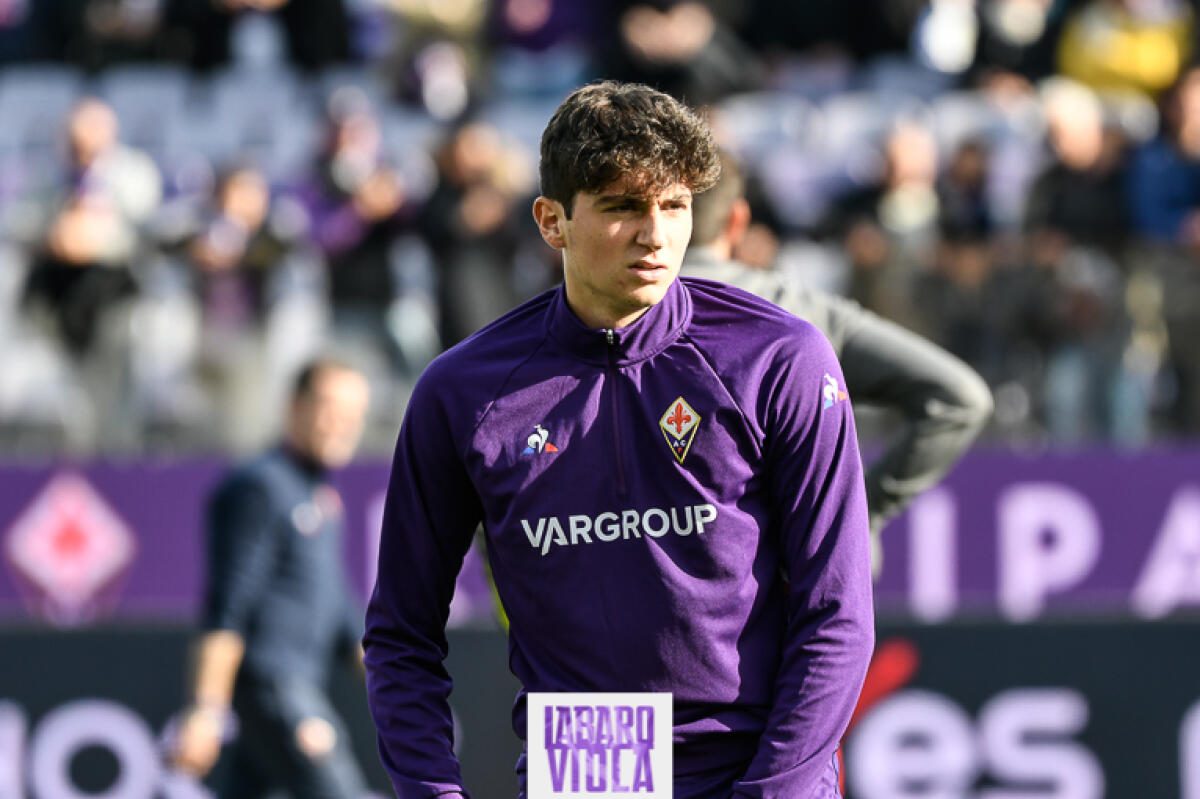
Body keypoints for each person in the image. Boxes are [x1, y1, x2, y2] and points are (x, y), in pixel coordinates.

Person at [364, 81, 875, 798]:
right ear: (552, 221)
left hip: (757, 767)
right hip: (588, 764)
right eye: (622, 207)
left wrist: (771, 793)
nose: (655, 235)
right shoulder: (463, 391)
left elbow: (838, 614)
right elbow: (401, 633)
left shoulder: (777, 357)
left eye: (675, 206)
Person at [684, 150, 993, 565]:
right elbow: (961, 397)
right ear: (738, 220)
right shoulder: (798, 307)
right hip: (799, 567)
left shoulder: (611, 313)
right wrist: (864, 514)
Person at [172, 358, 372, 798]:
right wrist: (205, 711)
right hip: (273, 689)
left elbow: (337, 602)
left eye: (353, 415)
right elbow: (227, 606)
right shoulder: (258, 487)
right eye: (329, 409)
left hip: (296, 685)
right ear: (294, 406)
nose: (341, 425)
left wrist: (392, 682)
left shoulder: (320, 494)